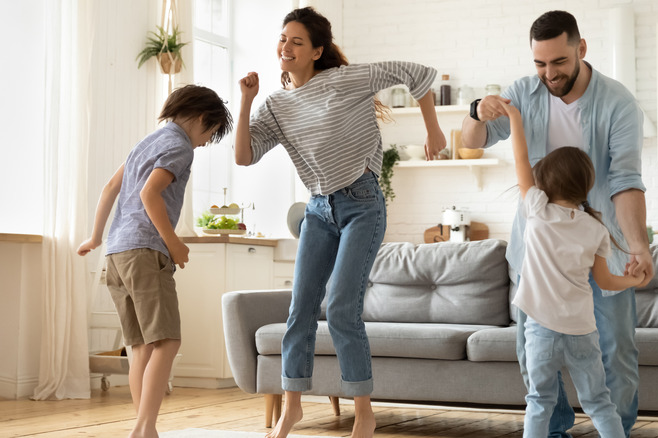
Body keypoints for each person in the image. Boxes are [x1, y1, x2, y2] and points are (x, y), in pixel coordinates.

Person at [234, 7, 446, 438]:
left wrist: (434, 130)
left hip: (362, 204)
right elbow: (244, 155)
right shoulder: (276, 105)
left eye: (297, 41)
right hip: (317, 210)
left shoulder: (344, 81)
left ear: (317, 51)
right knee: (300, 310)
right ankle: (291, 406)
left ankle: (363, 411)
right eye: (283, 39)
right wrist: (246, 101)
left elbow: (419, 73)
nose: (286, 47)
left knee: (344, 309)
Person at [461, 10, 653, 438]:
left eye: (559, 63)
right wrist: (476, 111)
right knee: (534, 358)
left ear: (581, 50)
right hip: (537, 255)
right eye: (539, 63)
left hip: (601, 244)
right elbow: (471, 141)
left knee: (617, 349)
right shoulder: (522, 94)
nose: (548, 74)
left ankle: (616, 430)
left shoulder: (617, 103)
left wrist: (638, 246)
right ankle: (553, 432)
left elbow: (625, 181)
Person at [77, 85, 233, 438]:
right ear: (201, 119)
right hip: (146, 250)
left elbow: (109, 188)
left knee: (141, 346)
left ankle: (145, 428)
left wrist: (96, 237)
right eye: (210, 134)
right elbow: (150, 192)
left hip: (117, 252)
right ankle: (144, 427)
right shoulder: (179, 146)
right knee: (168, 342)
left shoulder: (146, 142)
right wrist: (173, 242)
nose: (206, 142)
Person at [501, 99, 645, 437]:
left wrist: (514, 118)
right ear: (586, 185)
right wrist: (634, 279)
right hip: (582, 331)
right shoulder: (596, 229)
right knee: (598, 402)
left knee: (539, 401)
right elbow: (606, 281)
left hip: (541, 331)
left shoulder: (537, 211)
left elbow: (521, 159)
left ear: (546, 182)